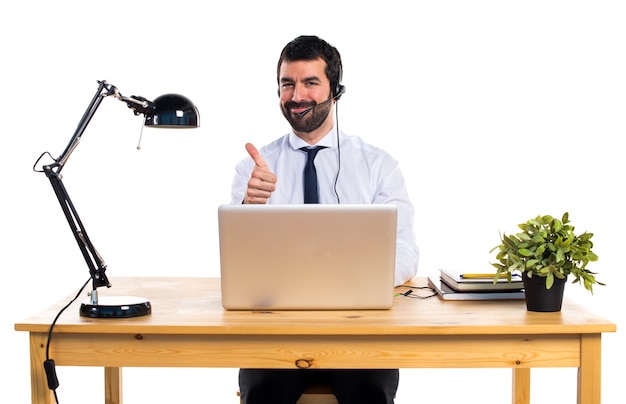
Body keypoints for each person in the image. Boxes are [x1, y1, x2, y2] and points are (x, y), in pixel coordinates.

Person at [230, 35, 419, 404]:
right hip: (277, 331)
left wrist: (360, 283)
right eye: (288, 83)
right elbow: (240, 262)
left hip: (360, 328)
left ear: (336, 91)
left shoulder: (377, 165)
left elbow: (405, 249)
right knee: (264, 395)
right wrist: (249, 207)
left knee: (368, 394)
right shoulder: (254, 169)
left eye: (310, 82)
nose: (297, 95)